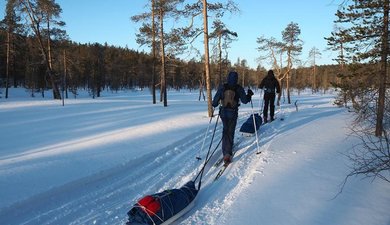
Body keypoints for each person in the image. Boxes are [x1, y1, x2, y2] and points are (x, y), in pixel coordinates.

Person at [212, 71, 254, 164]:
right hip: (233, 112)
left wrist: (214, 104)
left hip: (223, 112)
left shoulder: (223, 87)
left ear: (228, 77)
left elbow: (215, 102)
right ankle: (227, 153)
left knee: (225, 130)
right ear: (236, 78)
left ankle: (225, 151)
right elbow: (244, 101)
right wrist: (249, 95)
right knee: (230, 131)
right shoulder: (238, 88)